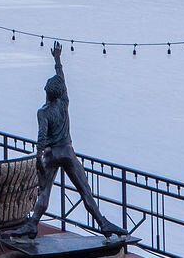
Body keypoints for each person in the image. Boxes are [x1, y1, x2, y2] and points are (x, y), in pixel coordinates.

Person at [19, 43, 127, 243]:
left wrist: (38, 158)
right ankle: (103, 224)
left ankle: (33, 224)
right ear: (60, 93)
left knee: (44, 192)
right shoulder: (64, 103)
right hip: (67, 152)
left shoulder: (43, 112)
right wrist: (58, 60)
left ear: (47, 92)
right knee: (84, 189)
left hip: (51, 154)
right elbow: (63, 80)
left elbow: (41, 138)